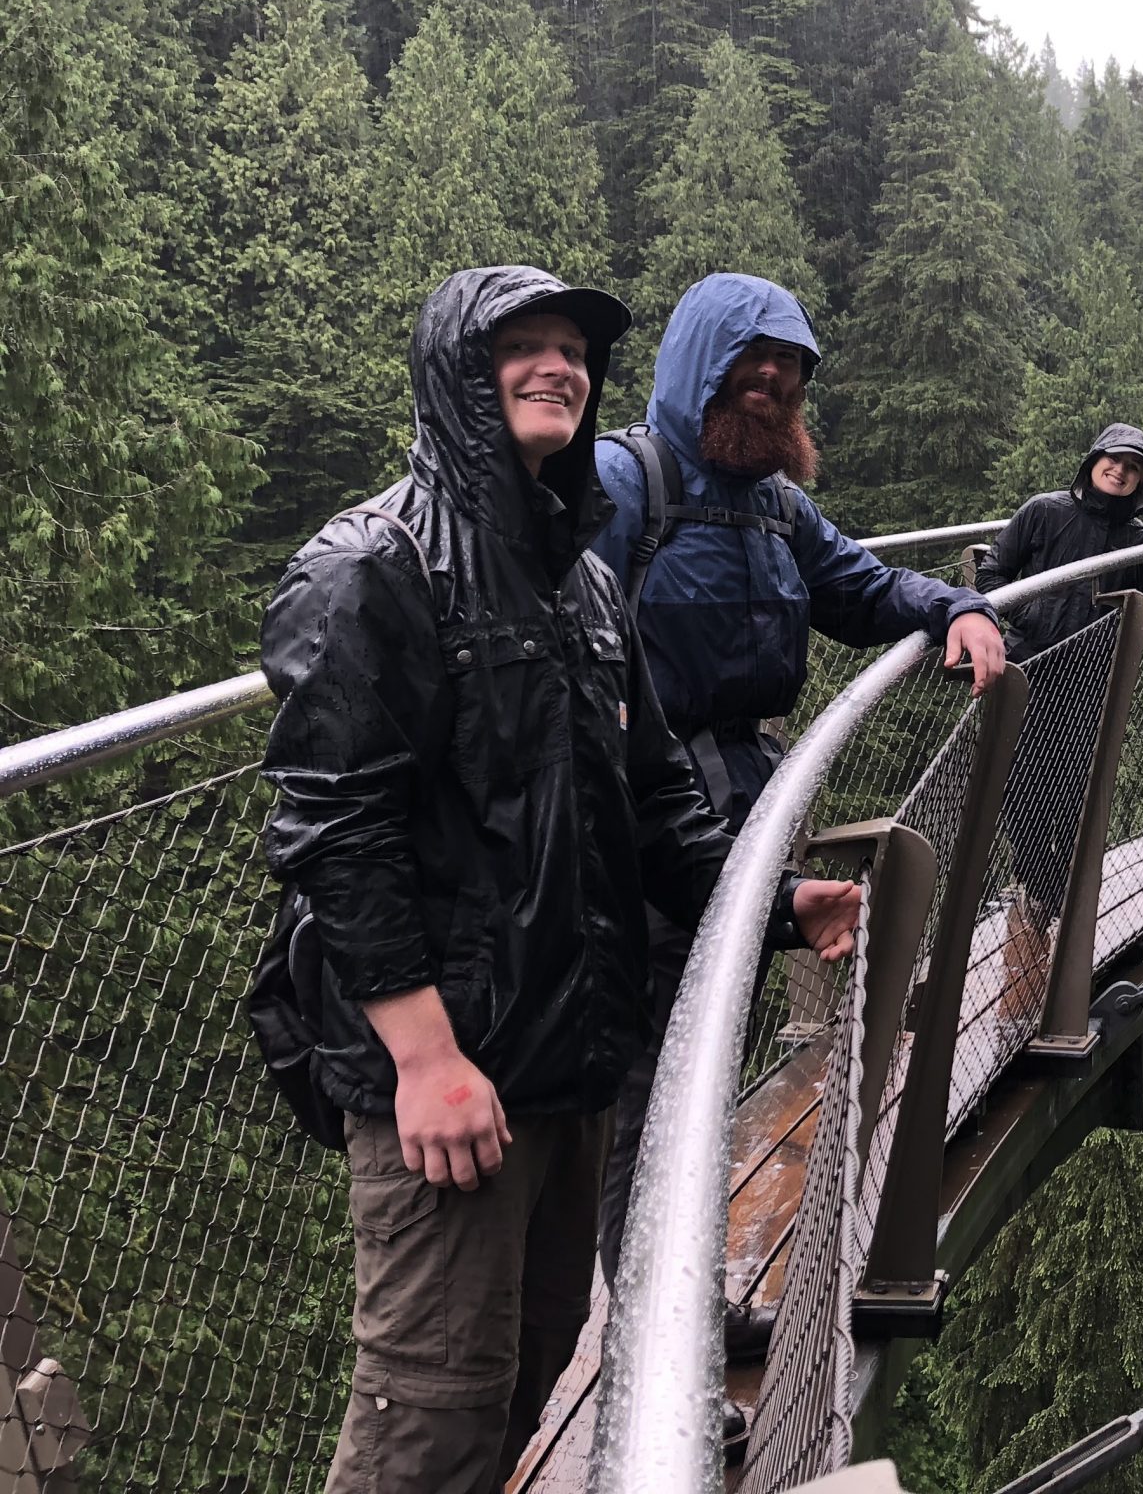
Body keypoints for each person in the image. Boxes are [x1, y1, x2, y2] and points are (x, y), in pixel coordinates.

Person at [259, 267, 865, 1494]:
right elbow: (336, 832)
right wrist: (424, 1060)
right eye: (519, 348)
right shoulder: (373, 566)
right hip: (449, 1076)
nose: (557, 369)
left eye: (572, 352)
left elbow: (647, 804)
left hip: (565, 1063)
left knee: (531, 1374)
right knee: (423, 1418)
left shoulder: (583, 580)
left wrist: (775, 908)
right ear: (456, 378)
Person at [589, 272, 1004, 1305]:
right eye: (750, 359)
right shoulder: (621, 484)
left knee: (705, 1053)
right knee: (644, 1080)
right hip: (634, 824)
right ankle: (647, 1315)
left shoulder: (775, 507)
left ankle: (676, 1291)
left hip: (744, 823)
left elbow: (864, 589)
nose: (771, 379)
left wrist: (958, 605)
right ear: (697, 363)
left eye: (791, 366)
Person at [977, 425, 1143, 1012]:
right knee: (1018, 783)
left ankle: (1046, 887)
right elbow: (991, 574)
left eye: (1134, 467)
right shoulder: (1044, 512)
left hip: (1088, 680)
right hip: (1028, 667)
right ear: (1093, 462)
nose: (1120, 471)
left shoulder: (1139, 539)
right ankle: (1042, 884)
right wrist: (1018, 625)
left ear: (1141, 481)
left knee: (1068, 785)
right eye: (1114, 460)